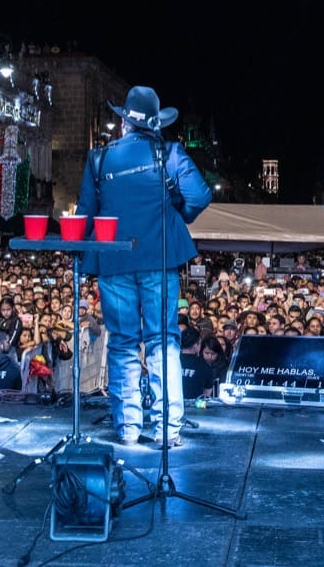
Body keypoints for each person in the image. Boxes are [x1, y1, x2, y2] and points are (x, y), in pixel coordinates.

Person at [77, 86, 212, 448]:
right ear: (154, 124)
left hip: (113, 261)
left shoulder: (99, 159)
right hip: (159, 259)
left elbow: (84, 214)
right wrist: (176, 214)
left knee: (121, 344)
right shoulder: (169, 153)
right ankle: (168, 430)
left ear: (124, 123)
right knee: (163, 343)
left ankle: (128, 428)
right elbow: (200, 195)